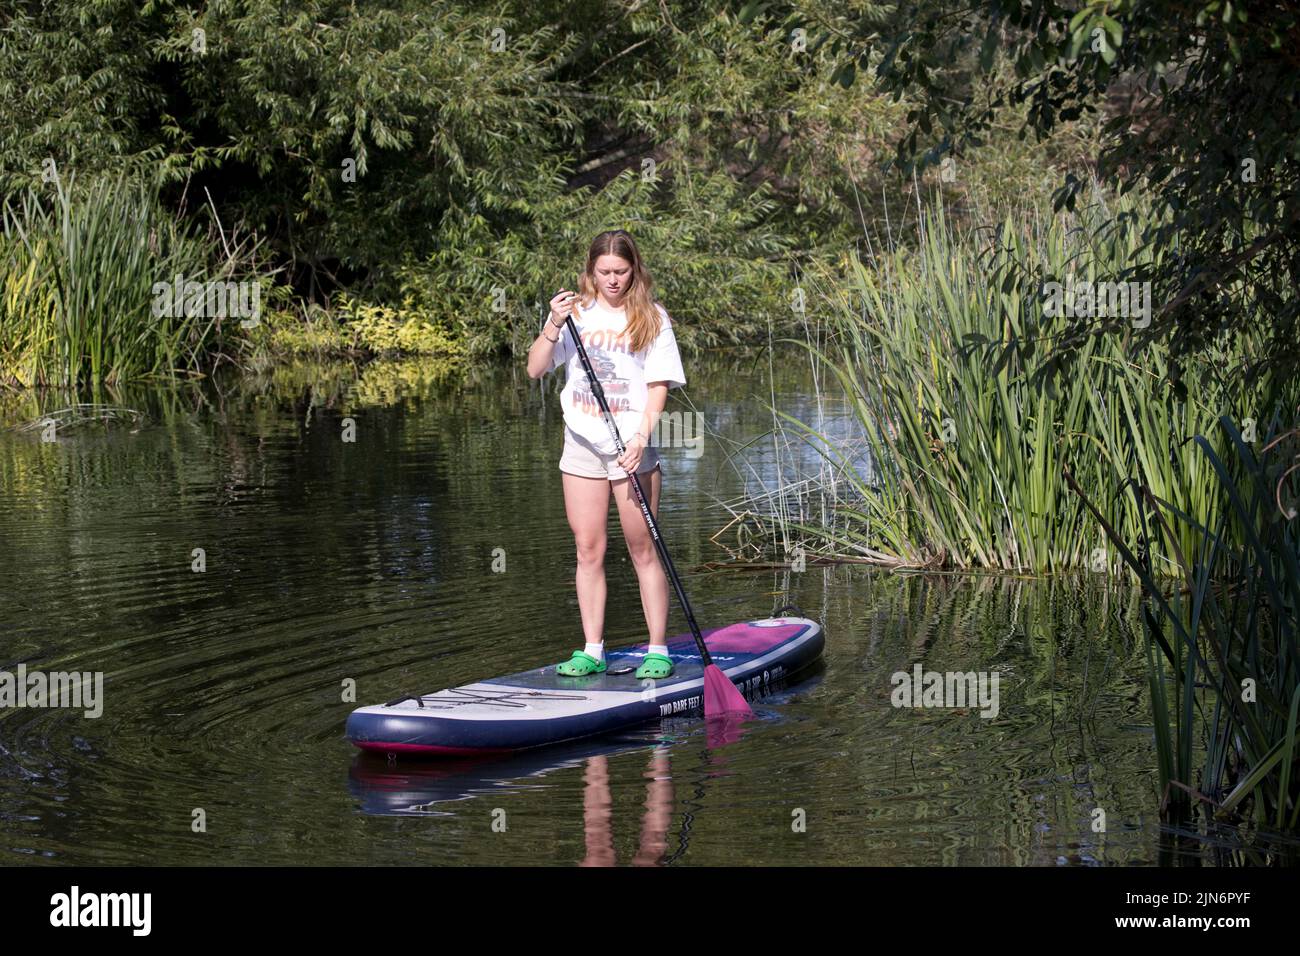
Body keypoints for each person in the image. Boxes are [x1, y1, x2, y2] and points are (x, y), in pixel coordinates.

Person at [525, 230, 687, 680]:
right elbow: (536, 368)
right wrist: (552, 323)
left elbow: (658, 387)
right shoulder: (573, 314)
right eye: (604, 272)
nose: (613, 280)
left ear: (634, 269)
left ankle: (658, 649)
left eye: (621, 271)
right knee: (588, 548)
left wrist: (641, 437)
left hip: (631, 445)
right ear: (590, 271)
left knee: (642, 548)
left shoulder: (651, 318)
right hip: (580, 443)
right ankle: (592, 650)